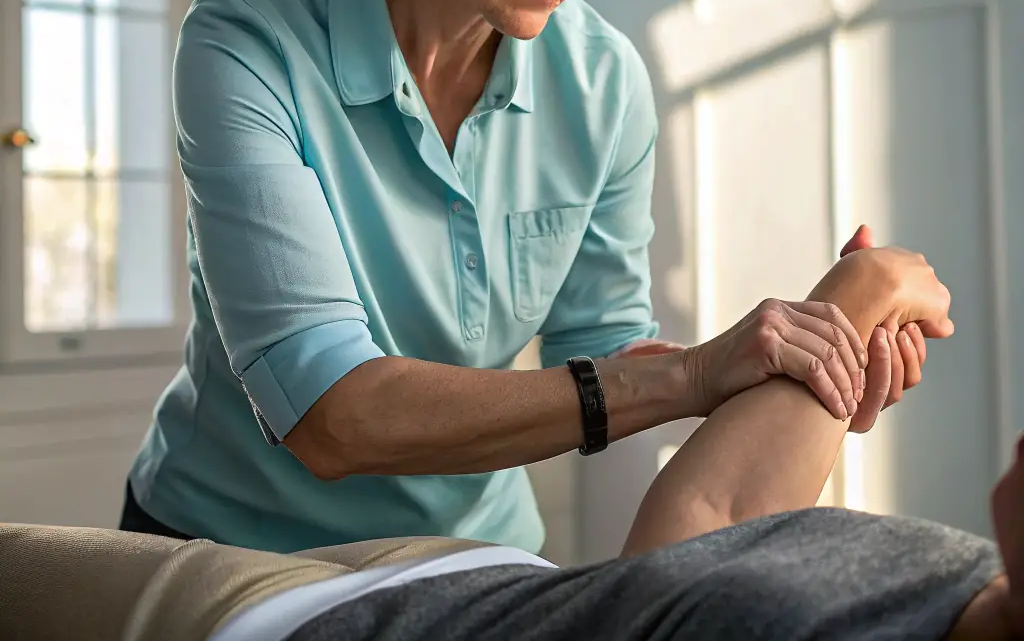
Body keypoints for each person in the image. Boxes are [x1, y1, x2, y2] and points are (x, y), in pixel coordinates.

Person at [123, 0, 932, 554]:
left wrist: (803, 368)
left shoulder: (603, 82)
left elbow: (608, 357)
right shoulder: (248, 44)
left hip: (472, 555)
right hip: (224, 550)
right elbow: (331, 417)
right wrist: (699, 374)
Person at [6, 244, 1017, 640]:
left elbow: (692, 562)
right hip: (453, 569)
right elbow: (720, 531)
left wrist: (838, 308)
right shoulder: (974, 585)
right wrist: (839, 327)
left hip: (276, 621)